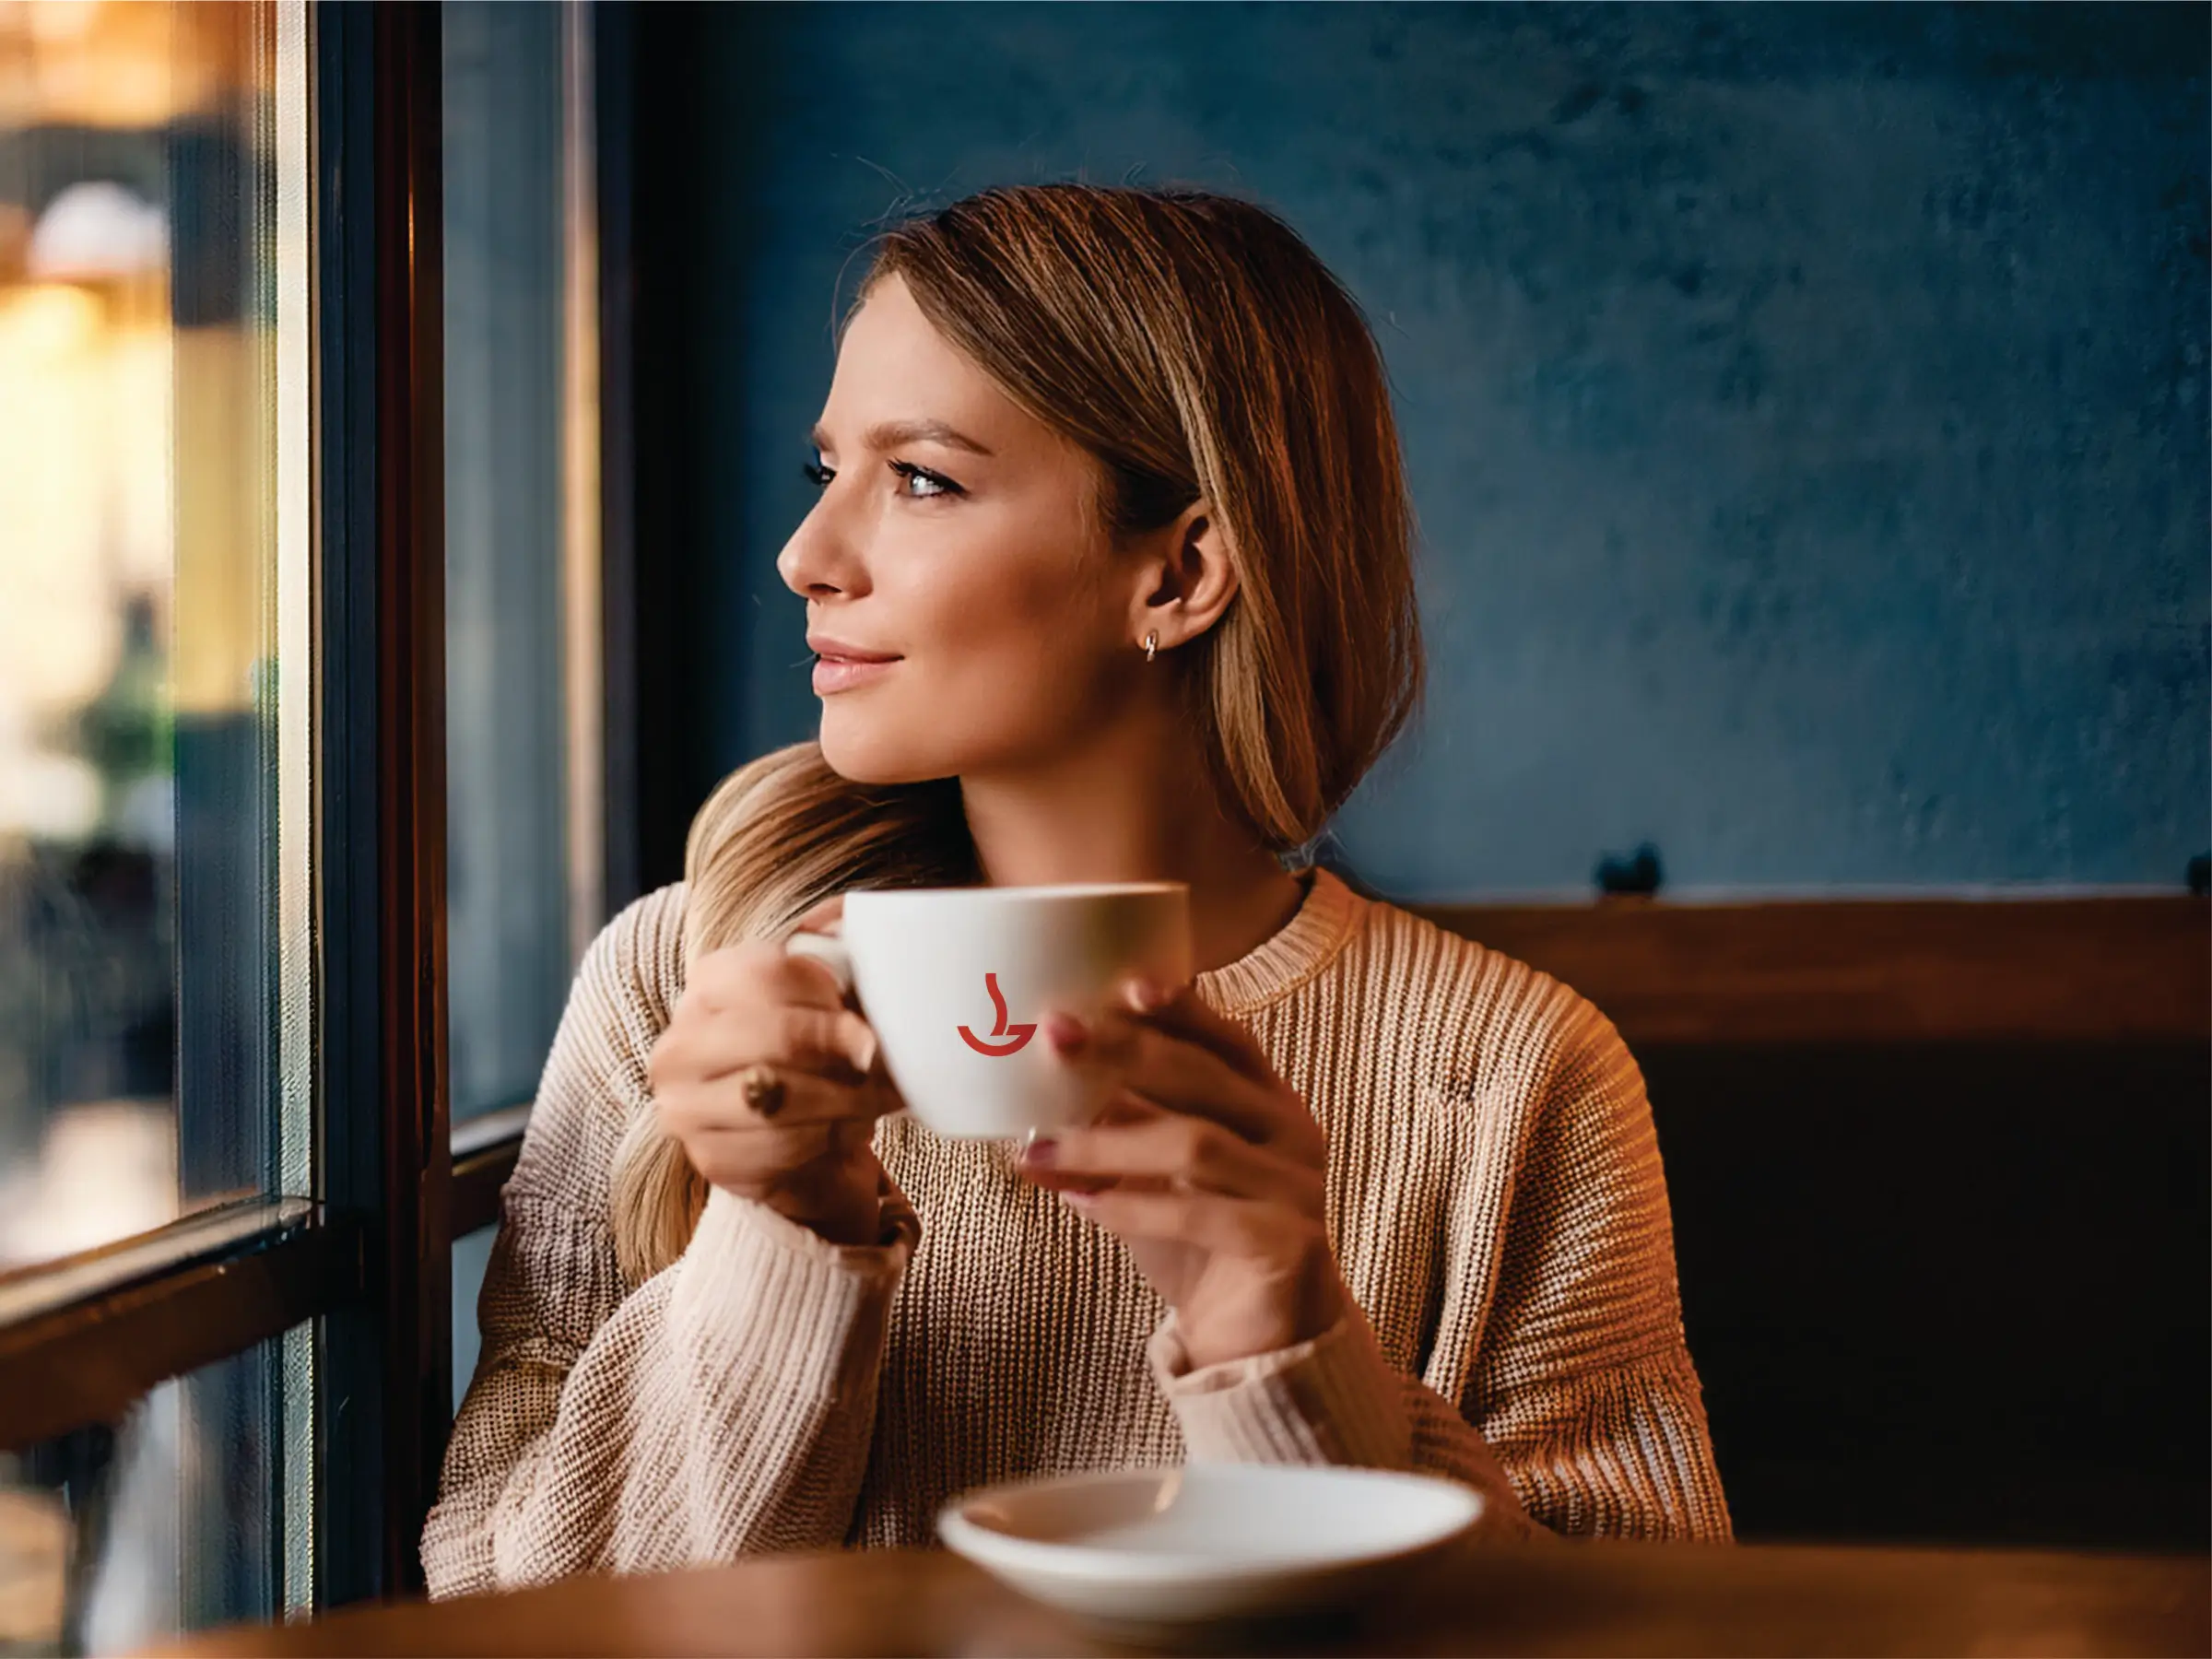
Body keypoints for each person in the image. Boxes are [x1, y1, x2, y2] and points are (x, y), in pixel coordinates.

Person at [421, 182, 1730, 1595]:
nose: (806, 558)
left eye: (918, 478)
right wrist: (781, 1242)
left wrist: (1280, 1344)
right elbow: (517, 1612)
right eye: (825, 473)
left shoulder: (1514, 1073)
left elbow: (1635, 1630)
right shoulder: (681, 983)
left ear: (1180, 571)